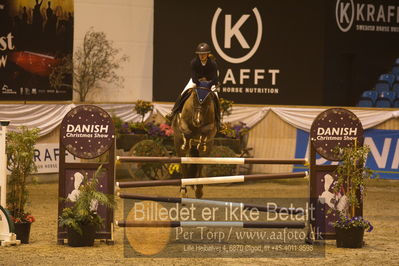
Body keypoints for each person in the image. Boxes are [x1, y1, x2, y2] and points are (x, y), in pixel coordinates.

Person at [166, 42, 221, 129]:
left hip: (210, 82)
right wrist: (198, 84)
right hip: (197, 81)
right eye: (200, 54)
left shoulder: (213, 63)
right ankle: (173, 112)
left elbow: (215, 78)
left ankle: (218, 120)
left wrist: (208, 85)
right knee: (184, 92)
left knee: (216, 97)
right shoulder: (194, 62)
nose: (201, 56)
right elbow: (194, 76)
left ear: (207, 54)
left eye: (203, 54)